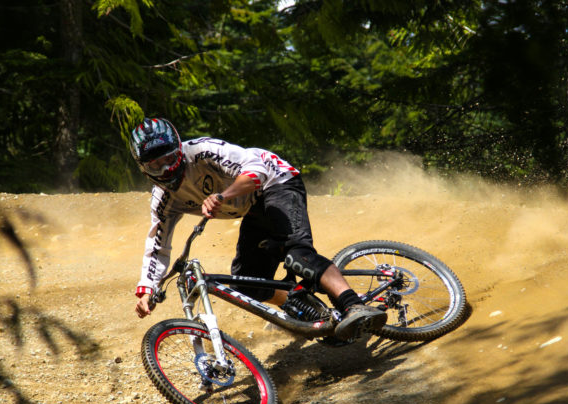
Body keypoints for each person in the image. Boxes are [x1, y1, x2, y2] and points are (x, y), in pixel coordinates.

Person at [129, 117, 386, 341]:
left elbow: (257, 171)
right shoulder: (163, 200)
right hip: (252, 209)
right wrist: (148, 288)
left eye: (169, 159)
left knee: (298, 255)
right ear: (143, 168)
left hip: (277, 182)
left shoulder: (202, 151)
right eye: (154, 166)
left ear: (179, 149)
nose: (164, 169)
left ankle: (354, 305)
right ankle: (300, 306)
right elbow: (158, 246)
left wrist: (223, 196)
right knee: (247, 283)